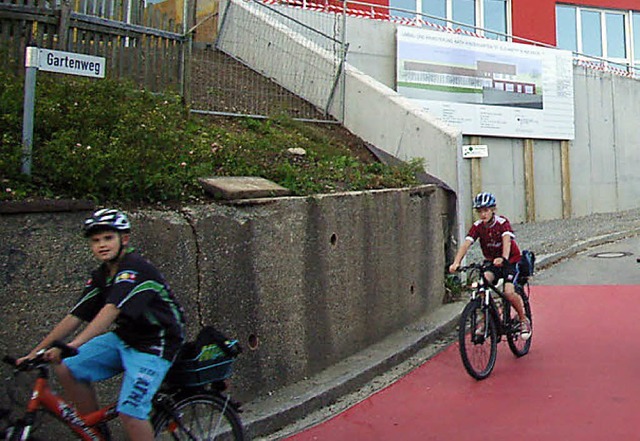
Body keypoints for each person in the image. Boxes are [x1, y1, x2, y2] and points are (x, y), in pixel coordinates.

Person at [18, 208, 186, 440]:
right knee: (67, 365)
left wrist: (75, 343)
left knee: (130, 412)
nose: (101, 245)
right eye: (96, 240)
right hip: (126, 338)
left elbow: (110, 310)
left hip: (156, 343)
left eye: (108, 238)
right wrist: (35, 352)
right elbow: (75, 315)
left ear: (124, 239)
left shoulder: (135, 269)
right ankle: (95, 435)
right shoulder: (102, 275)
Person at [449, 192, 532, 340]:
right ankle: (486, 320)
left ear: (493, 210)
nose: (483, 214)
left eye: (486, 210)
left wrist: (503, 258)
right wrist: (456, 262)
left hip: (510, 261)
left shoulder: (501, 223)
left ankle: (523, 319)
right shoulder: (477, 227)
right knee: (482, 284)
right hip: (492, 262)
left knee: (508, 292)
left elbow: (506, 240)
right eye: (480, 211)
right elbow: (466, 244)